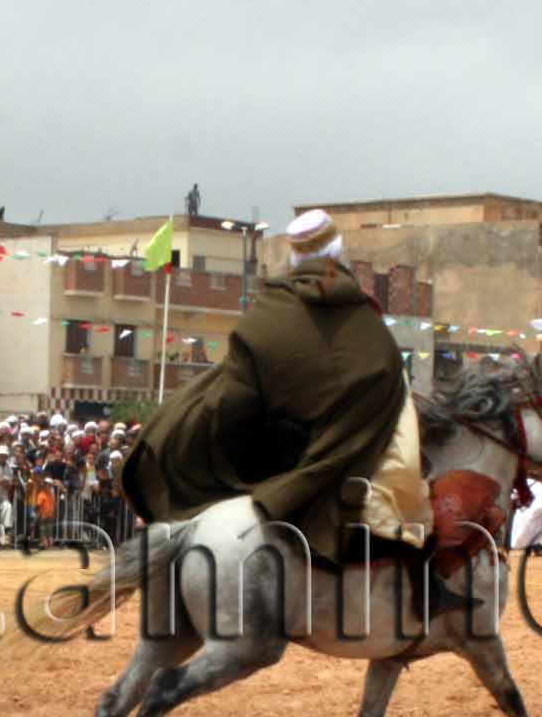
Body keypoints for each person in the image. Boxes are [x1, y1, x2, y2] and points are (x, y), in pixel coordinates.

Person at [120, 209, 420, 563]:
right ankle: (403, 534)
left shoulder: (267, 312)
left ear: (294, 258)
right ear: (338, 253)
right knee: (404, 438)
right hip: (337, 448)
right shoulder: (365, 316)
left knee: (196, 404)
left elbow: (236, 396)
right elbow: (379, 381)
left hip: (269, 447)